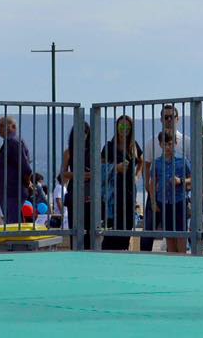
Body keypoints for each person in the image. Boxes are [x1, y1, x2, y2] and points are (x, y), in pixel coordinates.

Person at [141, 104, 192, 251]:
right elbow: (147, 166)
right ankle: (144, 260)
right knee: (150, 229)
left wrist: (183, 184)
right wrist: (150, 191)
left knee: (181, 233)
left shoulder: (186, 141)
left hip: (180, 198)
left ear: (178, 119)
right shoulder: (152, 142)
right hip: (158, 196)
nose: (169, 119)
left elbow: (192, 171)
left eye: (172, 117)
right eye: (166, 117)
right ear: (161, 119)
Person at [101, 115, 143, 250]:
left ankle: (123, 252)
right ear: (116, 127)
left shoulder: (134, 145)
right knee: (111, 230)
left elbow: (142, 161)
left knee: (127, 226)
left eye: (127, 126)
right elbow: (100, 167)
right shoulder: (109, 146)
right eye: (121, 125)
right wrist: (115, 168)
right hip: (112, 195)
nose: (124, 129)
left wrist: (137, 175)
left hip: (129, 192)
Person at [148, 131, 192, 253]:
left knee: (181, 234)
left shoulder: (183, 161)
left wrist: (181, 181)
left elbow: (193, 179)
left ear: (176, 144)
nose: (168, 147)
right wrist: (153, 202)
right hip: (164, 202)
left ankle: (182, 260)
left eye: (170, 144)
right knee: (169, 235)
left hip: (179, 201)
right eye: (165, 144)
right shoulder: (157, 162)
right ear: (160, 145)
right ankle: (172, 260)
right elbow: (152, 182)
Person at [0, 116, 33, 225]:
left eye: (2, 126)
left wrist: (28, 183)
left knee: (13, 225)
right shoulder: (9, 142)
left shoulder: (13, 142)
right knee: (13, 223)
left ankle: (17, 242)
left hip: (12, 191)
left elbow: (26, 168)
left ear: (13, 127)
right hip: (8, 192)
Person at [62, 122, 92, 249]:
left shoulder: (93, 151)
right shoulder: (68, 152)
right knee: (74, 227)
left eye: (85, 132)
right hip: (74, 193)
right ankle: (74, 250)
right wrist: (80, 174)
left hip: (90, 193)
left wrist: (80, 175)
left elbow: (96, 173)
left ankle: (91, 252)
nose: (82, 135)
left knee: (90, 227)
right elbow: (63, 174)